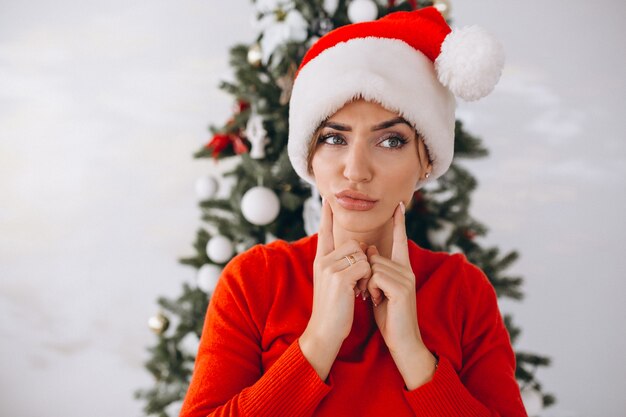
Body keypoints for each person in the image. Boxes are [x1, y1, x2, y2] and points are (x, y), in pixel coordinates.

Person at [180, 7, 528, 417]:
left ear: (427, 160)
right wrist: (319, 341)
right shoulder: (254, 281)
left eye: (391, 141)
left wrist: (413, 354)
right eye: (333, 138)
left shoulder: (463, 292)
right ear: (309, 156)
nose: (356, 171)